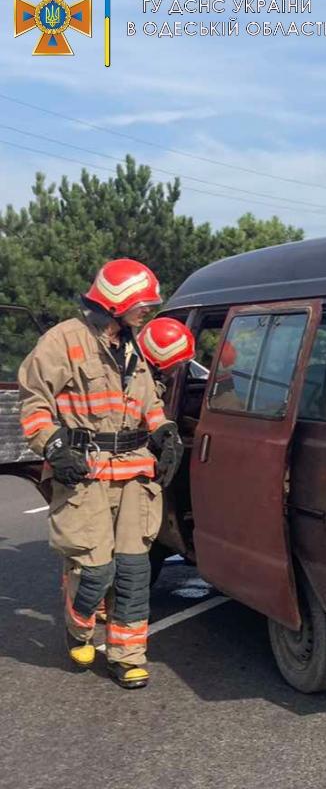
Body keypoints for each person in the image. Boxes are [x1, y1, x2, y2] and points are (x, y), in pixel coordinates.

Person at [18, 259, 183, 689]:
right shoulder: (62, 341)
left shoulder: (134, 345)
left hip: (134, 475)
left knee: (132, 571)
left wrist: (164, 432)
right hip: (85, 474)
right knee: (95, 571)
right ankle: (79, 625)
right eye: (142, 303)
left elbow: (148, 402)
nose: (147, 310)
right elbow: (35, 405)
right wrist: (54, 445)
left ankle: (128, 655)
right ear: (116, 303)